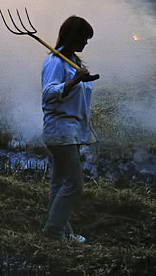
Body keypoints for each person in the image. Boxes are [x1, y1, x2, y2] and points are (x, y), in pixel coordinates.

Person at [41, 15, 98, 242]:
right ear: (74, 37)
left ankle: (62, 232)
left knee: (60, 183)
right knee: (74, 185)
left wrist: (79, 78)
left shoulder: (73, 61)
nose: (86, 43)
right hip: (60, 132)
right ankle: (53, 231)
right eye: (84, 38)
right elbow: (48, 94)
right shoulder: (55, 62)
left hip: (70, 132)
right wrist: (74, 81)